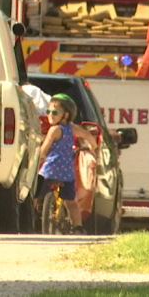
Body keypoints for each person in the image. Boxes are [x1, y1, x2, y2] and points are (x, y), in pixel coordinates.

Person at [37, 94, 96, 235]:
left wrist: (40, 157)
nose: (50, 115)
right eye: (48, 112)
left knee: (35, 195)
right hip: (66, 173)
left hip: (50, 170)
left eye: (55, 112)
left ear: (66, 115)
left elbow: (44, 148)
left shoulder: (54, 130)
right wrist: (92, 148)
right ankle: (78, 227)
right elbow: (88, 136)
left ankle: (31, 218)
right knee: (71, 202)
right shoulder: (71, 128)